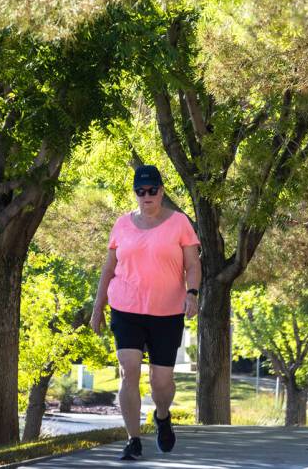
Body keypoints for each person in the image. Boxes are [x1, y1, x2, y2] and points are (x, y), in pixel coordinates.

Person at [90, 164, 202, 461]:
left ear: (161, 191)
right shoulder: (122, 225)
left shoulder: (179, 223)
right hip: (126, 307)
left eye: (152, 190)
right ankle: (133, 439)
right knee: (129, 369)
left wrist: (192, 293)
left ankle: (162, 416)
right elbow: (109, 268)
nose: (147, 195)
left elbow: (192, 264)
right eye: (141, 191)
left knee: (161, 381)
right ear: (135, 194)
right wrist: (98, 305)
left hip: (167, 311)